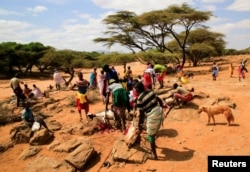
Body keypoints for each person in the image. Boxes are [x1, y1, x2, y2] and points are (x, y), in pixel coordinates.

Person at [134, 82, 164, 160]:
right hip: (158, 111)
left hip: (153, 114)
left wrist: (139, 126)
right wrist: (161, 108)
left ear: (137, 90)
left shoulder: (140, 99)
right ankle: (153, 144)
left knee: (150, 134)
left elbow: (141, 115)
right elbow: (159, 100)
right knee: (153, 130)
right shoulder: (150, 91)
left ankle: (154, 155)